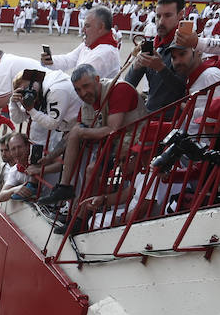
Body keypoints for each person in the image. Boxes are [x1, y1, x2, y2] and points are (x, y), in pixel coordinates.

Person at [37, 64, 148, 207]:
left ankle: (81, 212)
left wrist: (82, 132)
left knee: (91, 166)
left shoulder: (118, 89)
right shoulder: (88, 102)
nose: (83, 93)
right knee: (88, 162)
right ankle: (69, 194)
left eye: (86, 86)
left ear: (97, 79)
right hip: (113, 143)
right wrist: (50, 157)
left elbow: (112, 129)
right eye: (78, 90)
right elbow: (72, 135)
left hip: (134, 140)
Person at [124, 0, 191, 117]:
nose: (161, 22)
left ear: (180, 15)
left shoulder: (187, 46)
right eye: (158, 16)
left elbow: (182, 92)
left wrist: (161, 68)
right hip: (150, 116)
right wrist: (136, 67)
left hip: (169, 122)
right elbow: (128, 86)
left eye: (167, 16)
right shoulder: (154, 46)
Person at [41, 6, 121, 79]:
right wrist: (51, 61)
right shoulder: (90, 44)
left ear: (100, 27)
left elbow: (80, 82)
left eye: (87, 26)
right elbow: (68, 59)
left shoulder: (106, 53)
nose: (83, 30)